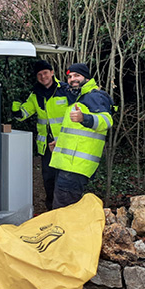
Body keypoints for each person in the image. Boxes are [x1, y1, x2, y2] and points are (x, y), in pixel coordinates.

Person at [49, 63, 114, 209]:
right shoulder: (81, 97)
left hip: (75, 168)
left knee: (62, 212)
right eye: (70, 76)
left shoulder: (94, 97)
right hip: (69, 166)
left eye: (77, 75)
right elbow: (77, 134)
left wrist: (84, 118)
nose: (72, 79)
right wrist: (58, 145)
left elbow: (107, 121)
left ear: (87, 77)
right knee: (65, 210)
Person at [12, 59, 71, 210]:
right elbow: (23, 114)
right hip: (46, 147)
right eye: (39, 74)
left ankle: (65, 210)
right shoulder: (35, 95)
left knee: (65, 179)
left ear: (52, 73)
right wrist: (16, 107)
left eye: (45, 73)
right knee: (49, 180)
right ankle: (51, 209)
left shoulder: (65, 90)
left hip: (66, 144)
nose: (43, 76)